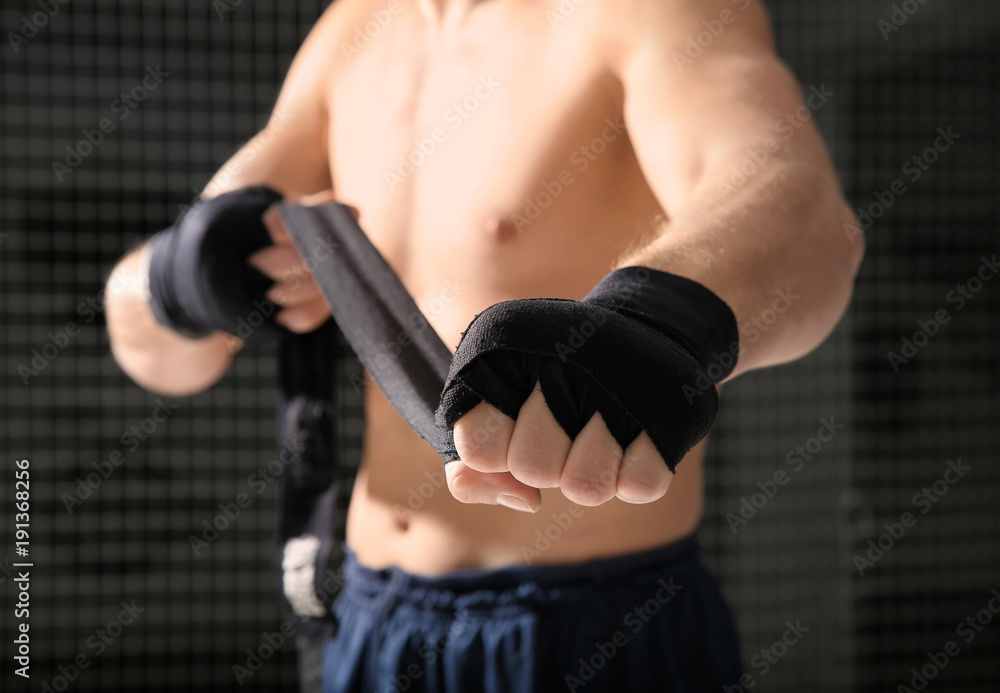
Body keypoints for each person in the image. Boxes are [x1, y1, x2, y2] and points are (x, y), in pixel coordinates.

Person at [105, 0, 864, 690]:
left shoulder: (643, 10)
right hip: (369, 617)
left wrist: (661, 320)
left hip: (588, 627)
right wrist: (179, 278)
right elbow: (163, 356)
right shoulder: (353, 30)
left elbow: (801, 214)